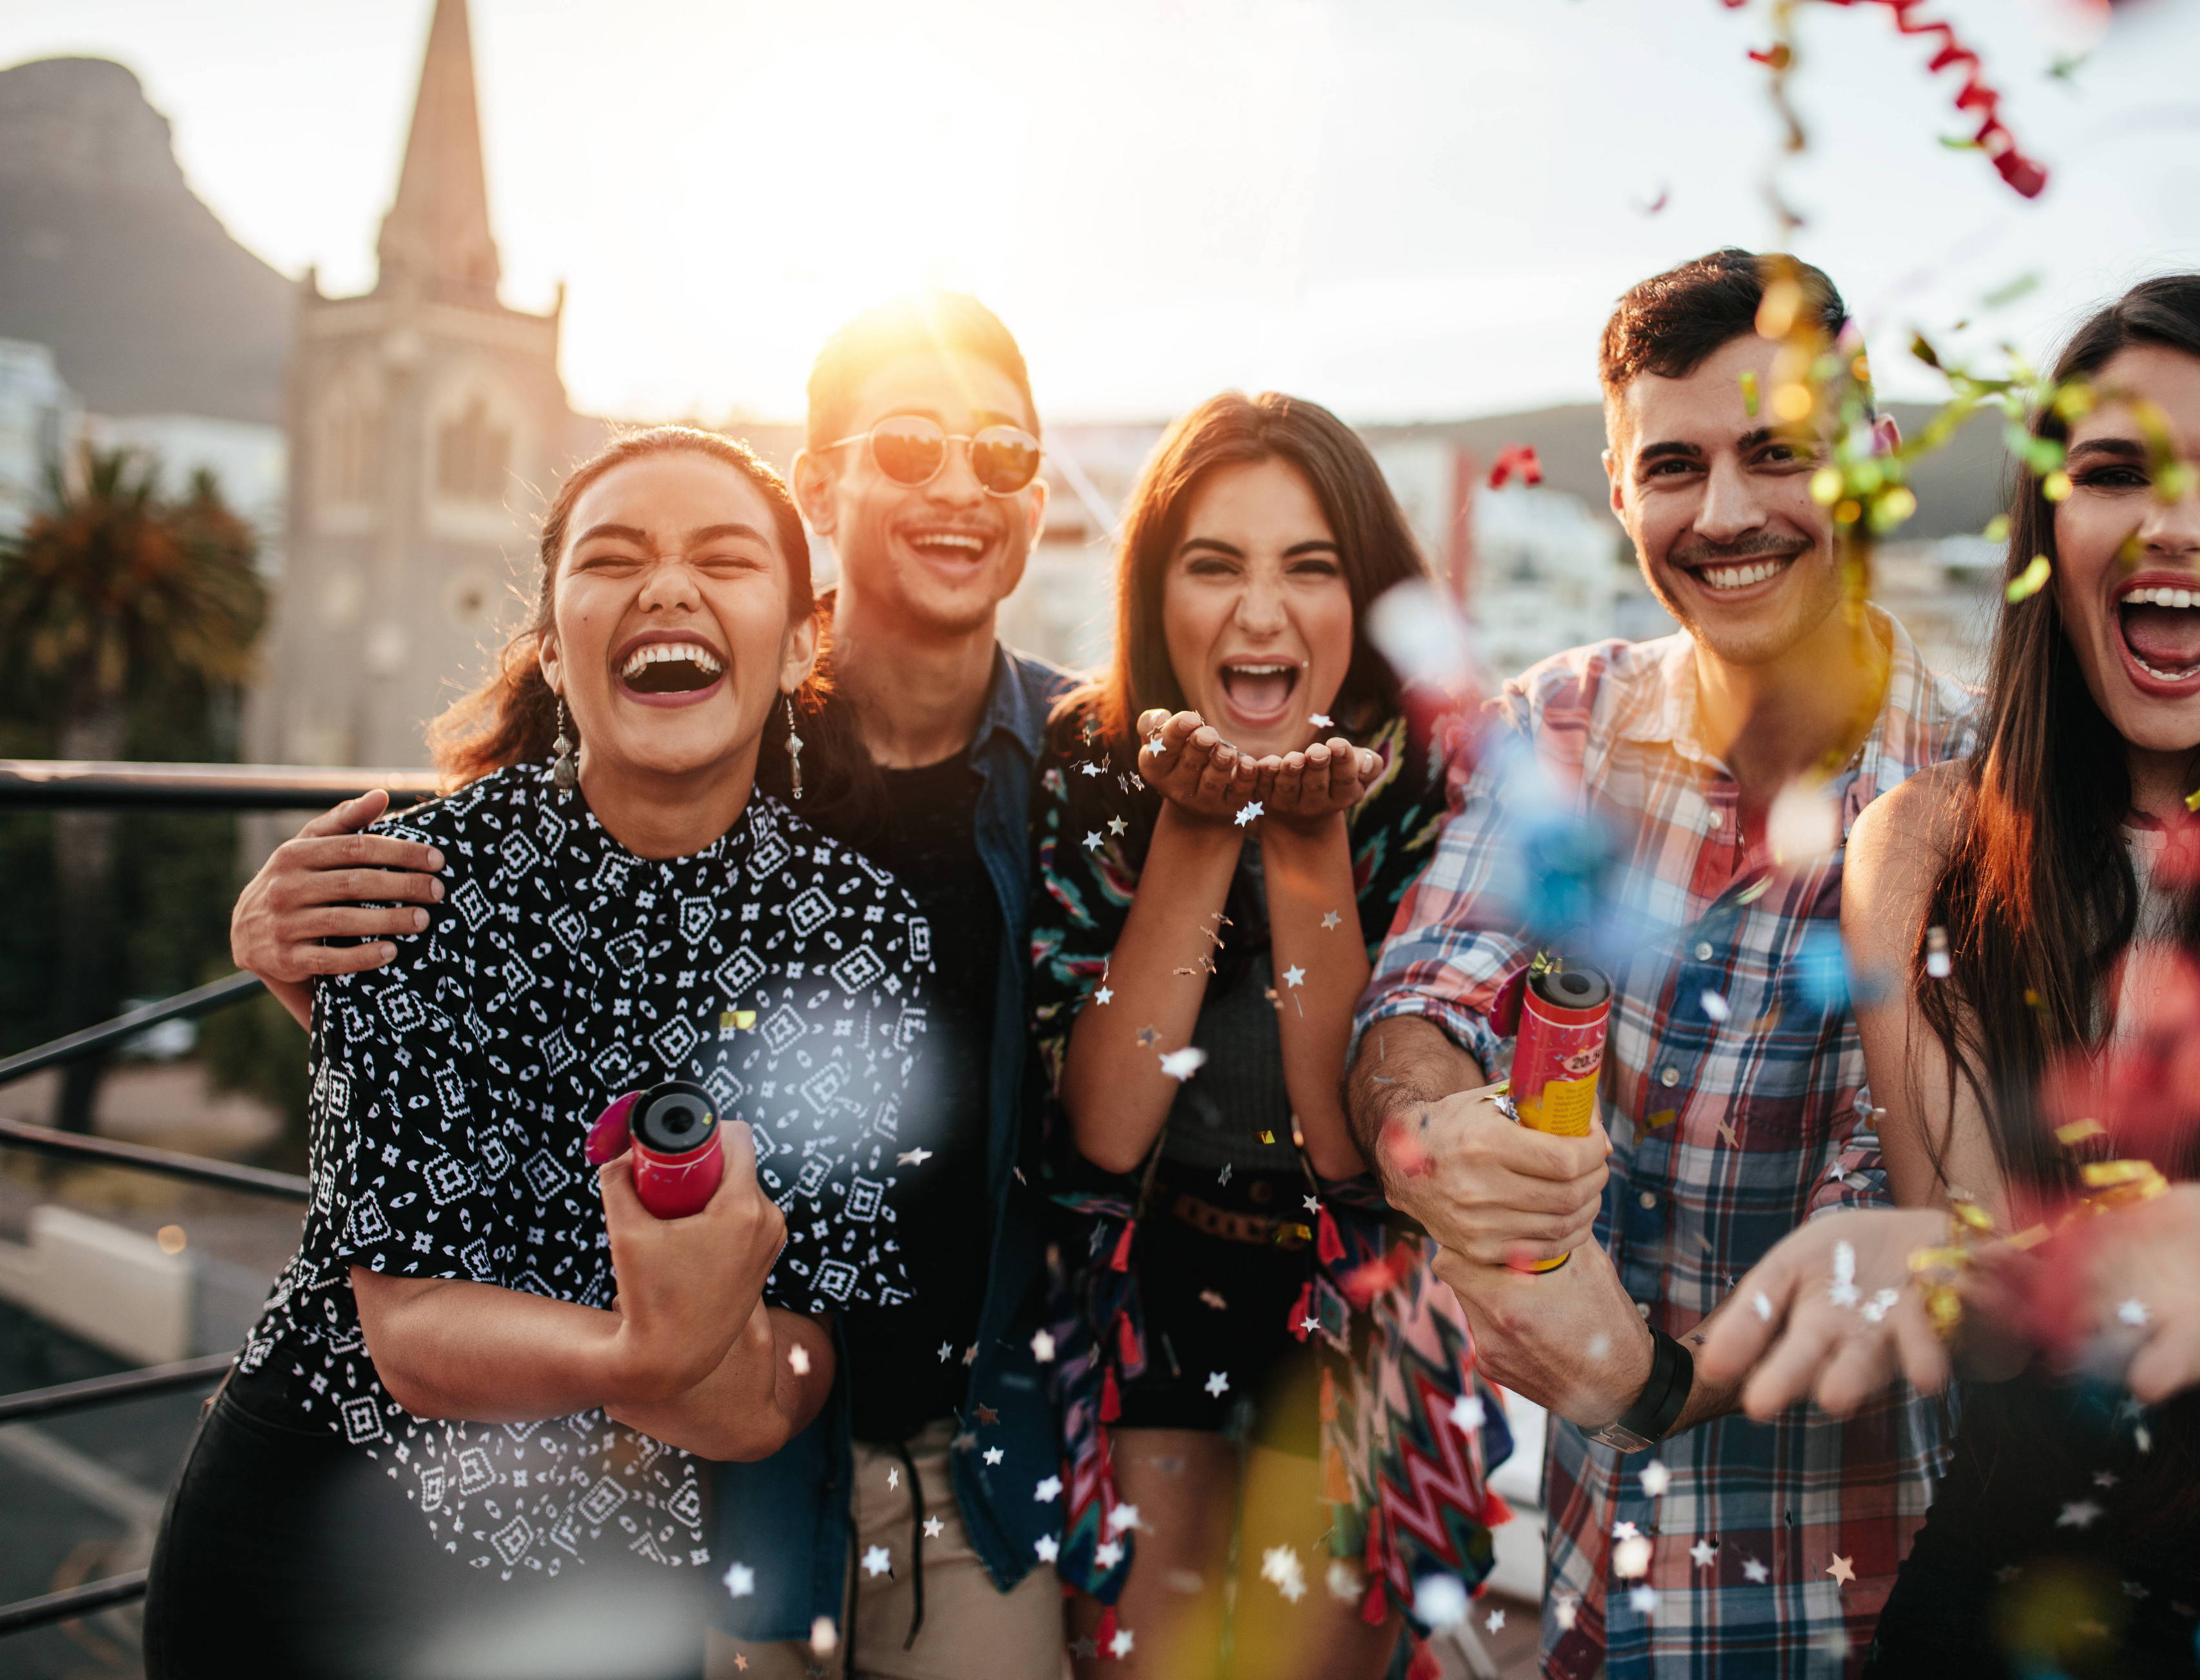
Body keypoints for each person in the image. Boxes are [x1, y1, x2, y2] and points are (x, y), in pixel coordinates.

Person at [224, 295, 1074, 1680]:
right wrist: (283, 930)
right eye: (910, 447)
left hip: (923, 1426)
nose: (958, 487)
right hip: (678, 1464)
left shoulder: (1082, 765)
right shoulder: (683, 729)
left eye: (1001, 453)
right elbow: (501, 960)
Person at [1698, 274, 2200, 1676]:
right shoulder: (1913, 846)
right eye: (2112, 470)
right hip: (2028, 1551)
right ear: (2044, 532)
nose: (2176, 521)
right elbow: (1973, 1286)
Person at [148, 427, 929, 1679]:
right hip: (316, 1533)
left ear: (798, 641)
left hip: (616, 1581)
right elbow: (406, 1332)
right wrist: (654, 1353)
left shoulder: (864, 932)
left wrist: (713, 1371)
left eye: (723, 558)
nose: (667, 587)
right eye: (613, 558)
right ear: (556, 651)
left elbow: (784, 1376)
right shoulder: (412, 879)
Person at [1341, 248, 1976, 1676]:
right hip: (1595, 1594)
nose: (1727, 512)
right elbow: (1419, 996)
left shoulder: (1984, 780)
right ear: (1620, 490)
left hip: (1878, 1604)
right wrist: (1434, 1126)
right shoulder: (1561, 721)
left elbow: (1923, 1206)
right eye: (1675, 465)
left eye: (1779, 454)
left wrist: (1652, 1387)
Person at [1028, 393, 1502, 1677]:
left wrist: (1304, 851)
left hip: (1357, 1295)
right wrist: (1194, 830)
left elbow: (1354, 1158)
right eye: (1213, 565)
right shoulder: (1088, 758)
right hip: (1153, 1276)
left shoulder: (1434, 777)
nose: (1258, 612)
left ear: (1364, 599)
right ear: (1151, 593)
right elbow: (1109, 1124)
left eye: (1309, 566)